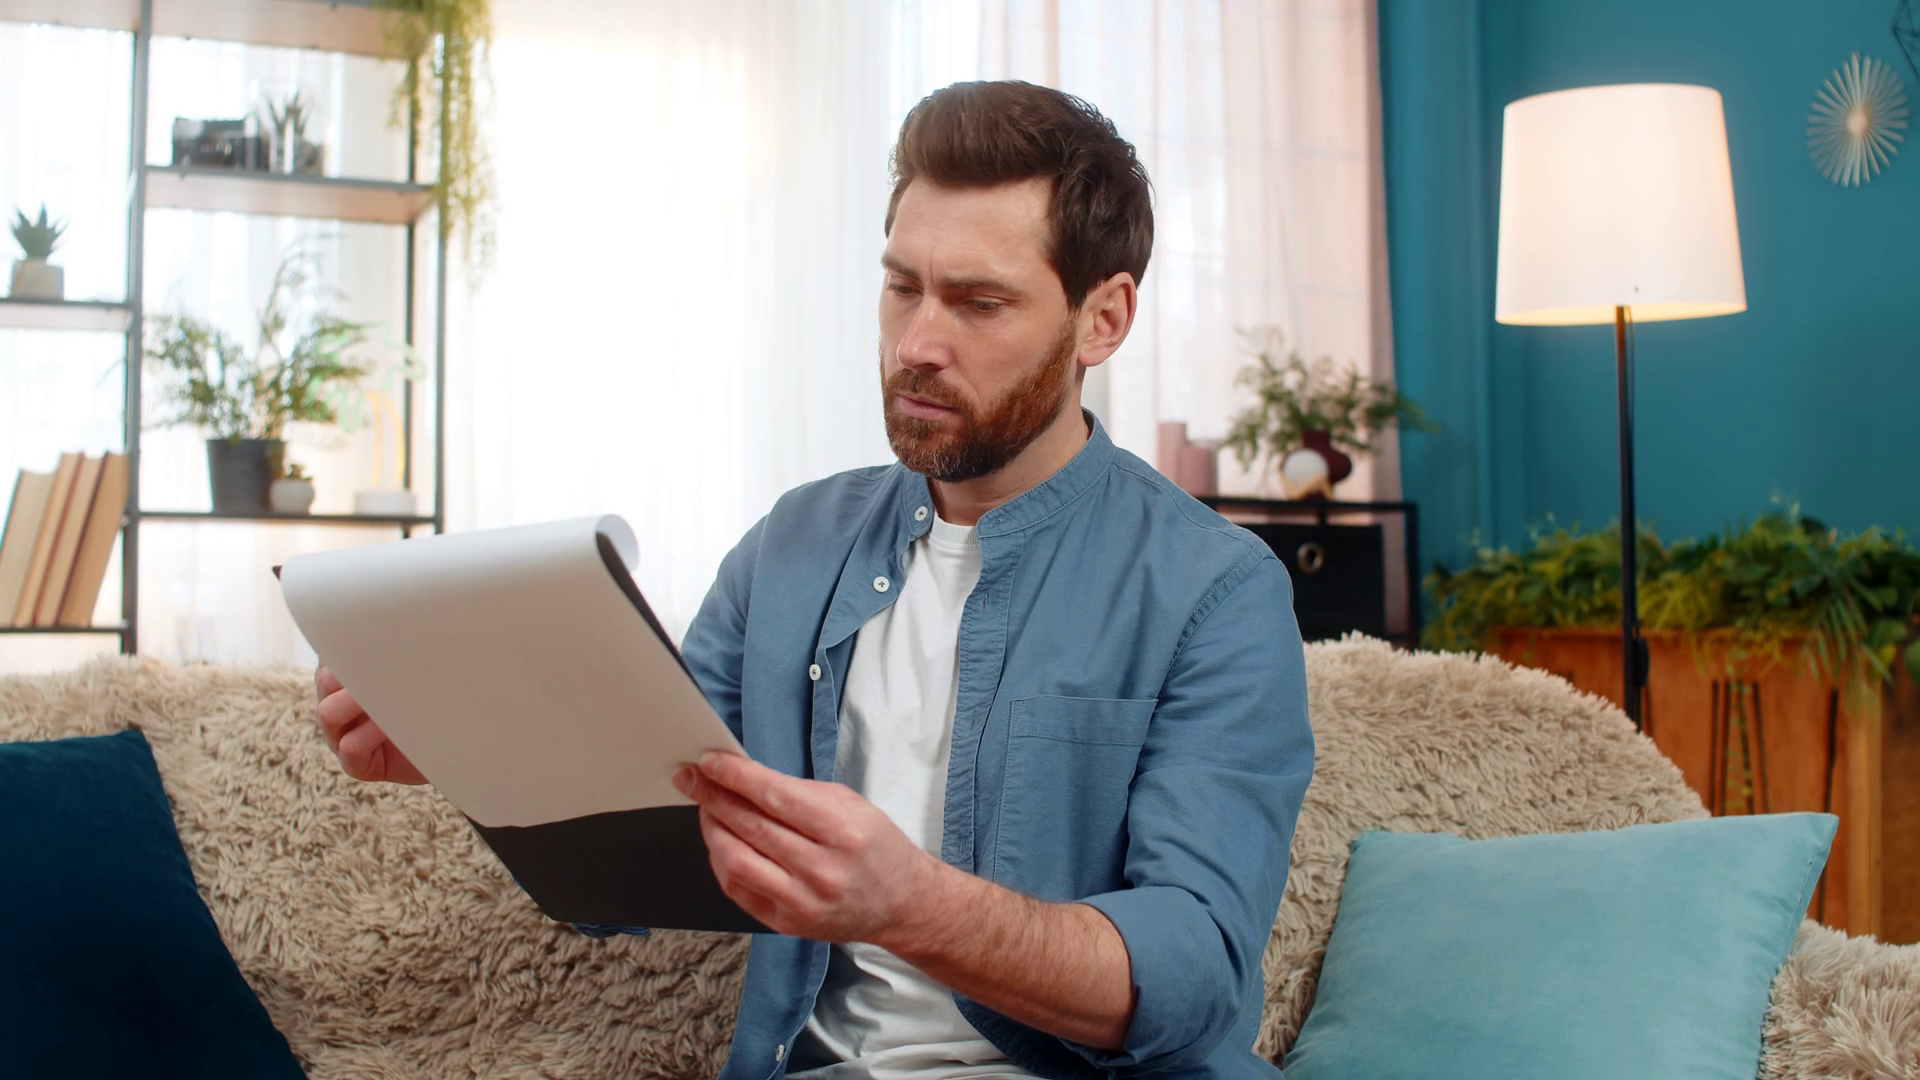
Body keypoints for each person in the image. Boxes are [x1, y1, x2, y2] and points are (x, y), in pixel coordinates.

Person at [315, 80, 1313, 1080]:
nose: (918, 344)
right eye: (902, 287)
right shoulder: (792, 546)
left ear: (1103, 319)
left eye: (978, 302)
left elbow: (1192, 977)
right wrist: (473, 749)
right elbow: (650, 842)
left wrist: (912, 905)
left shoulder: (1216, 591)